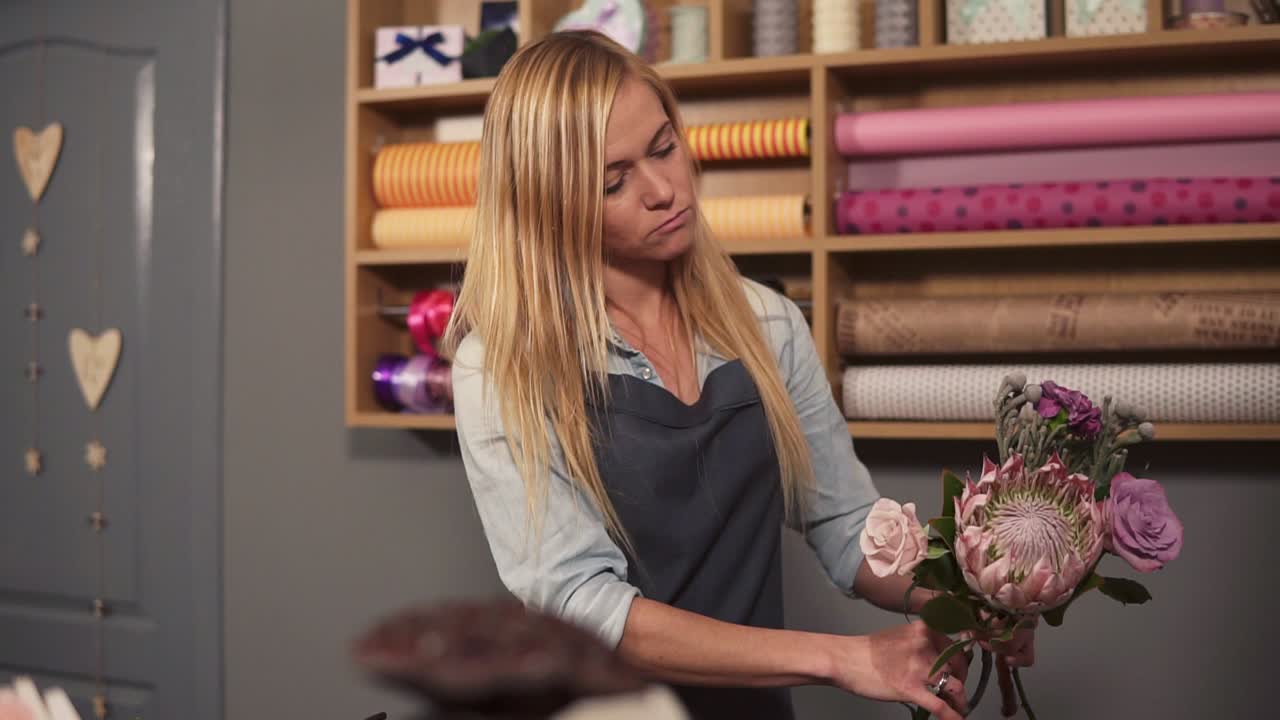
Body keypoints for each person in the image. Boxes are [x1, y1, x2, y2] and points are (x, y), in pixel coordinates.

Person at [444, 30, 1032, 720]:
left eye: (665, 147)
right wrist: (843, 658)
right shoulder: (501, 369)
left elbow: (844, 522)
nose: (664, 190)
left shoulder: (768, 324)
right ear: (551, 203)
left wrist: (974, 597)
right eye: (614, 182)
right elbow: (584, 607)